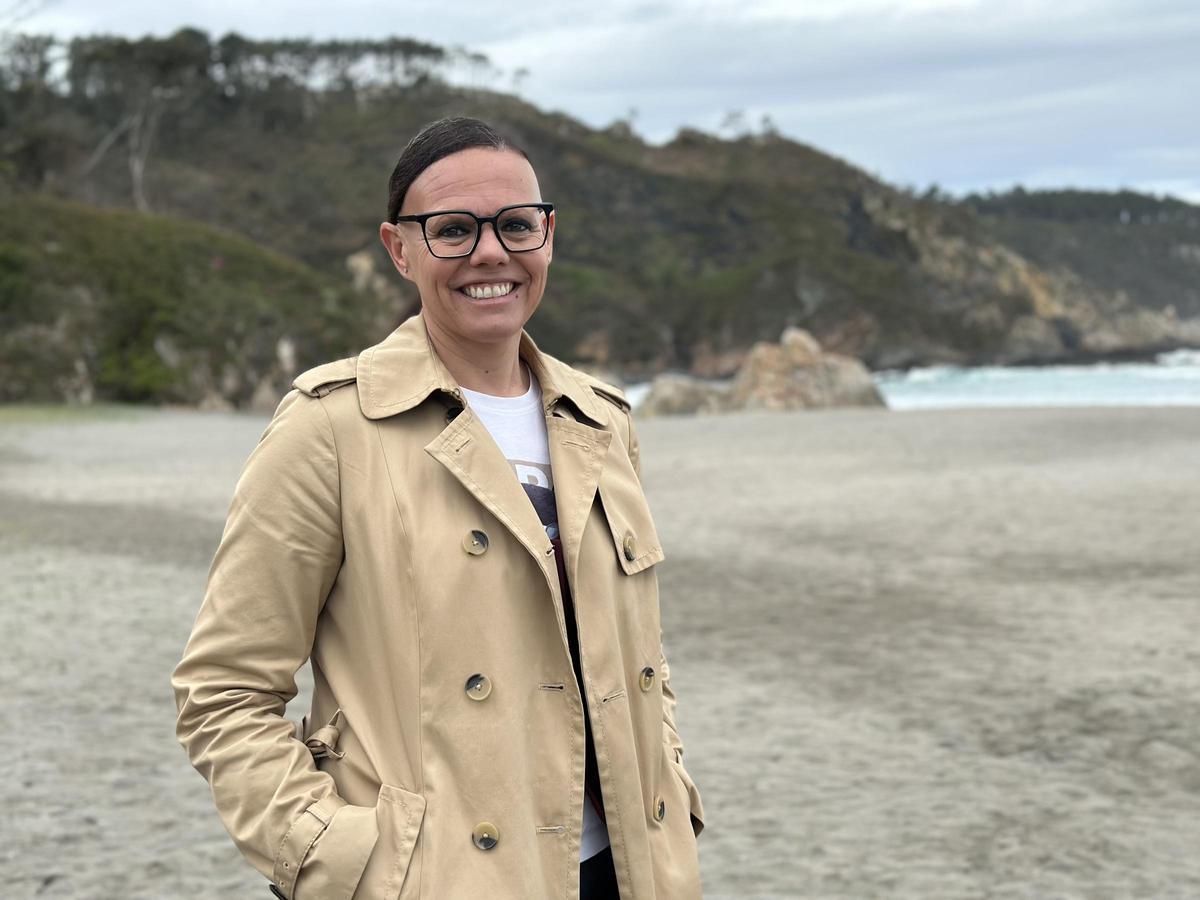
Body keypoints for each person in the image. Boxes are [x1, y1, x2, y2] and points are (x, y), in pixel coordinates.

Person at [171, 116, 705, 900]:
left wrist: (673, 787)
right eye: (452, 230)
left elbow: (637, 660)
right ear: (400, 249)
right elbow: (223, 689)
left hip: (629, 868)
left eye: (516, 225)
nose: (490, 253)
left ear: (548, 235)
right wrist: (340, 859)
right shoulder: (332, 426)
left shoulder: (603, 419)